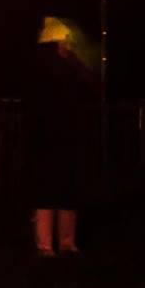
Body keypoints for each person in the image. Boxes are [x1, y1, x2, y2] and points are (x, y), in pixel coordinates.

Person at [23, 16, 97, 257]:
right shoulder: (48, 73)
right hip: (49, 139)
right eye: (65, 44)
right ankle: (49, 244)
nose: (70, 48)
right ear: (54, 45)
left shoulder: (67, 71)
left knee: (63, 190)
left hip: (60, 138)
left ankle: (62, 243)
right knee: (51, 190)